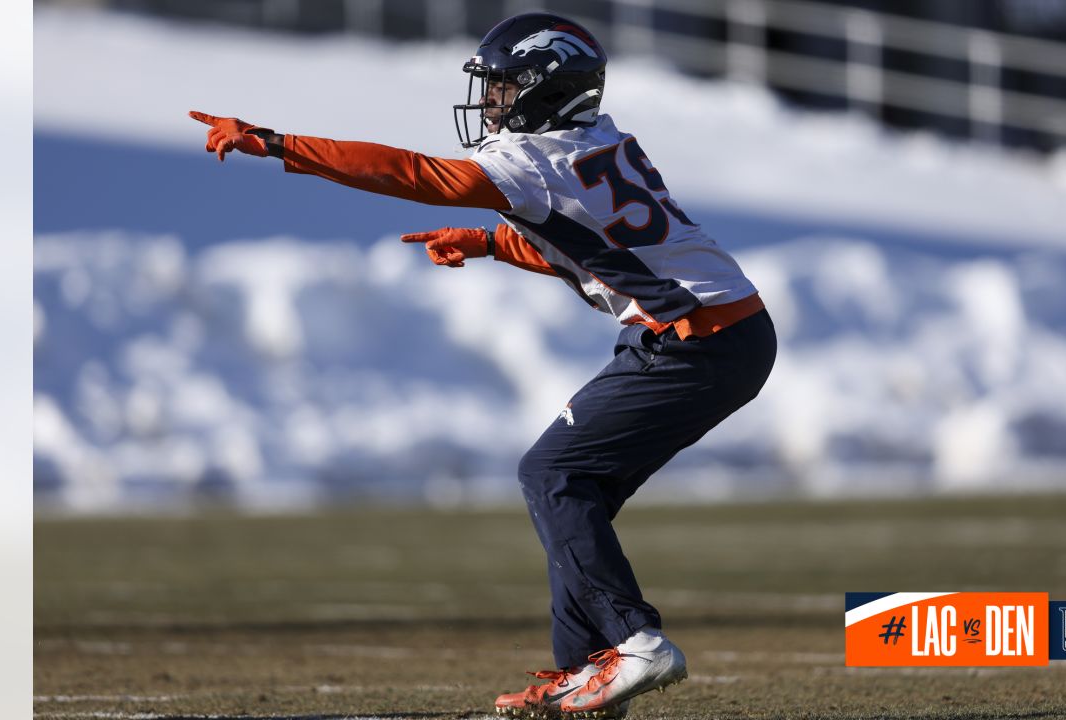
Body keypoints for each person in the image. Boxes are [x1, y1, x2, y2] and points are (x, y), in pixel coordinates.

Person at [189, 12, 776, 719]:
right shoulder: (592, 140)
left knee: (551, 474)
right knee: (573, 488)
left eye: (503, 85)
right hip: (719, 330)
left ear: (546, 87)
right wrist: (493, 243)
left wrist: (278, 143)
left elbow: (413, 173)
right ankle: (585, 671)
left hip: (697, 338)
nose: (490, 99)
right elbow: (591, 243)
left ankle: (633, 643)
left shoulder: (532, 161)